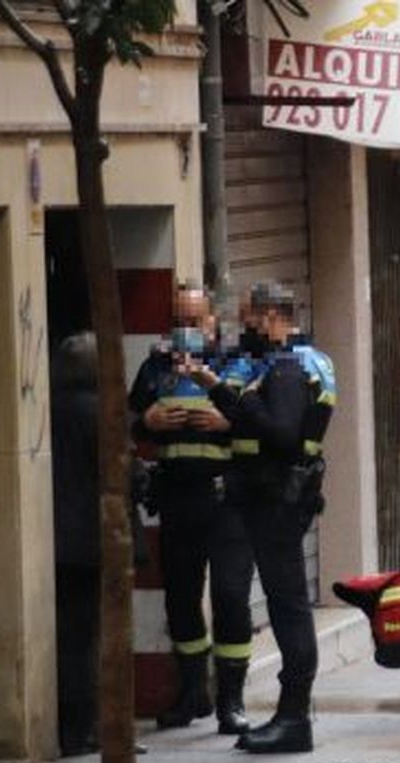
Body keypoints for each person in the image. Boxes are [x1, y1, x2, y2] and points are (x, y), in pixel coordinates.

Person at [189, 283, 335, 754]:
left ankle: (294, 718)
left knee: (288, 607)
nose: (245, 327)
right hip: (275, 500)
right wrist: (217, 389)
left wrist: (245, 399)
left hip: (276, 501)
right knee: (284, 603)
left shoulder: (289, 368)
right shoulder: (301, 362)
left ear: (272, 317)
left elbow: (281, 433)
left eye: (251, 318)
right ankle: (290, 716)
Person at [129, 283, 256, 735]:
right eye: (178, 320)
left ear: (213, 322)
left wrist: (227, 421)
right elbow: (124, 420)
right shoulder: (155, 368)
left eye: (194, 320)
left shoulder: (239, 365)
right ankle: (192, 692)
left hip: (227, 500)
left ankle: (232, 700)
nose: (187, 329)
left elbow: (263, 422)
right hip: (178, 497)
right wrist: (146, 421)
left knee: (229, 597)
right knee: (180, 598)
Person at [51, 332, 103, 757]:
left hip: (59, 539)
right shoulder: (99, 413)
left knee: (71, 633)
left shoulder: (52, 409)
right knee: (84, 635)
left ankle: (73, 725)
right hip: (92, 539)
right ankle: (83, 728)